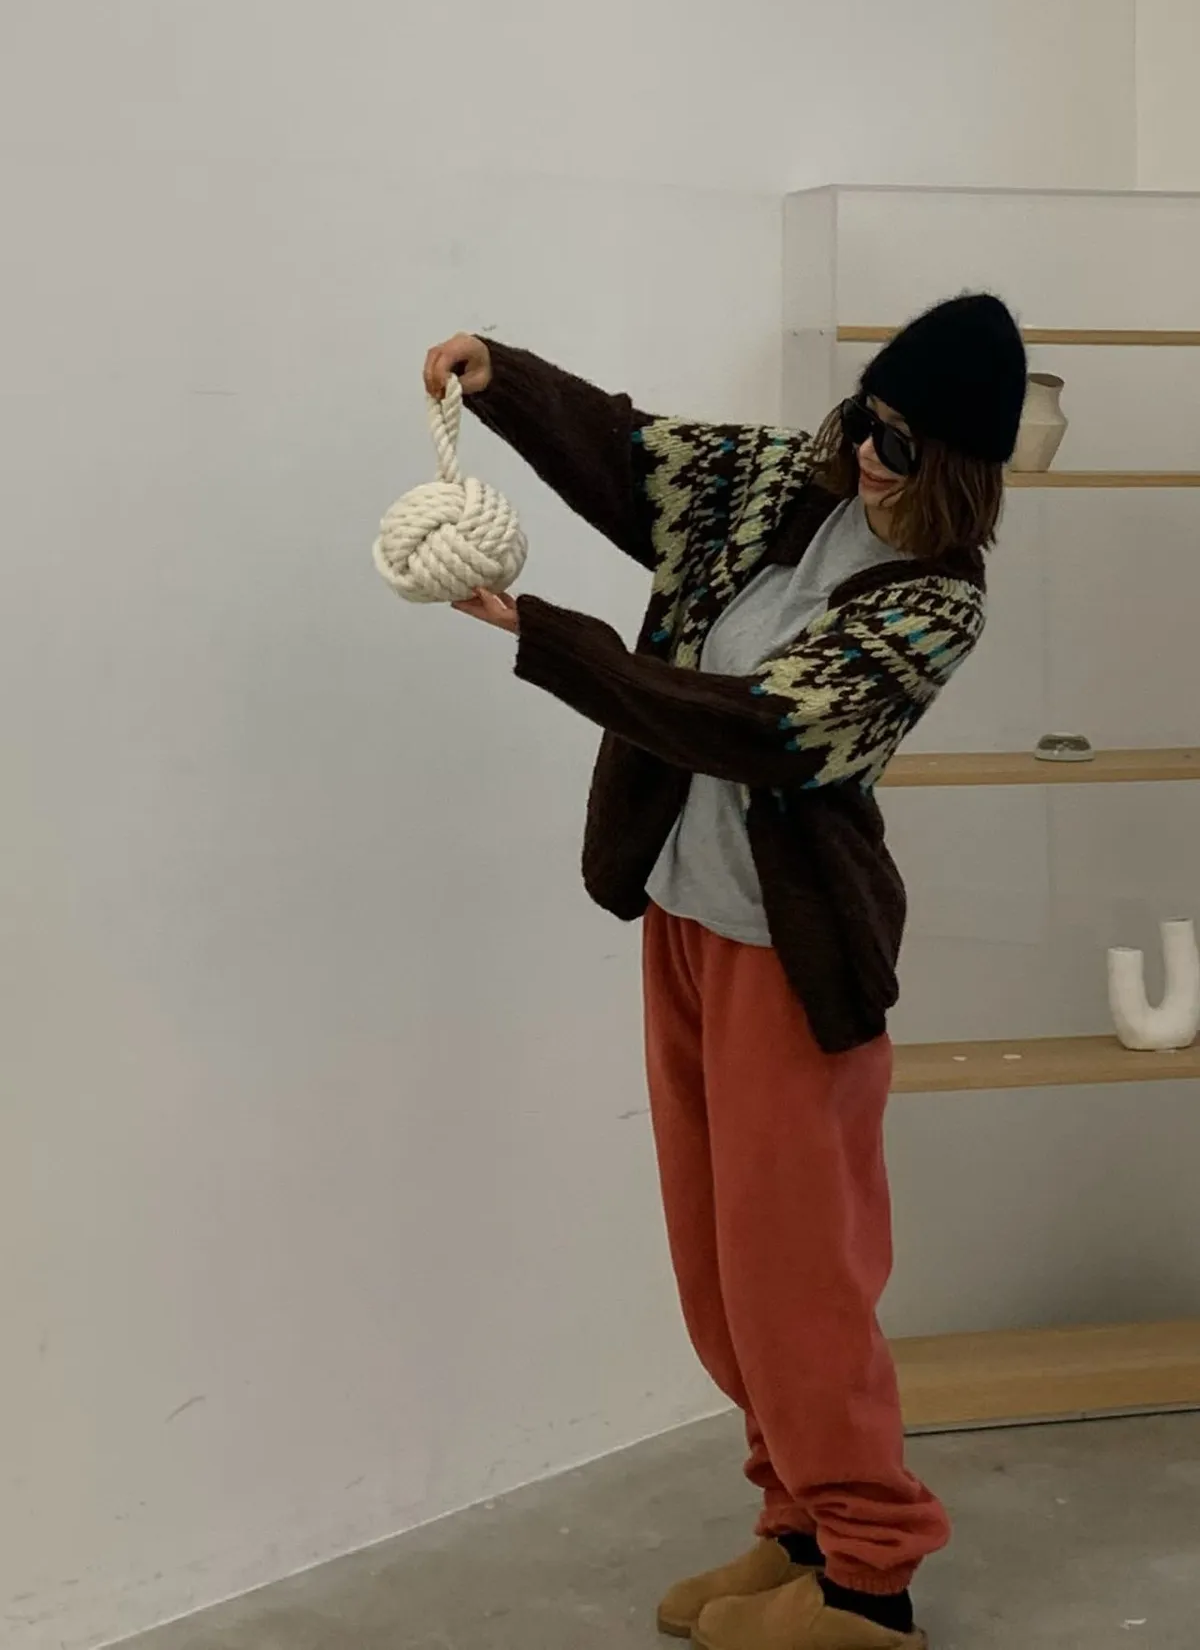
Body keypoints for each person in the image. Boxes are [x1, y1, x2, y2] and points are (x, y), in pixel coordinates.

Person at [422, 295, 1026, 1650]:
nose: (865, 453)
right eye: (866, 418)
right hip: (686, 921)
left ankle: (871, 1580)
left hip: (790, 958)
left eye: (901, 444)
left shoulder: (937, 601)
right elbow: (633, 453)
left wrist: (551, 641)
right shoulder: (782, 484)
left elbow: (764, 728)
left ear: (956, 469)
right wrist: (503, 380)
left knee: (797, 1281)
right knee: (715, 1272)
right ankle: (795, 1524)